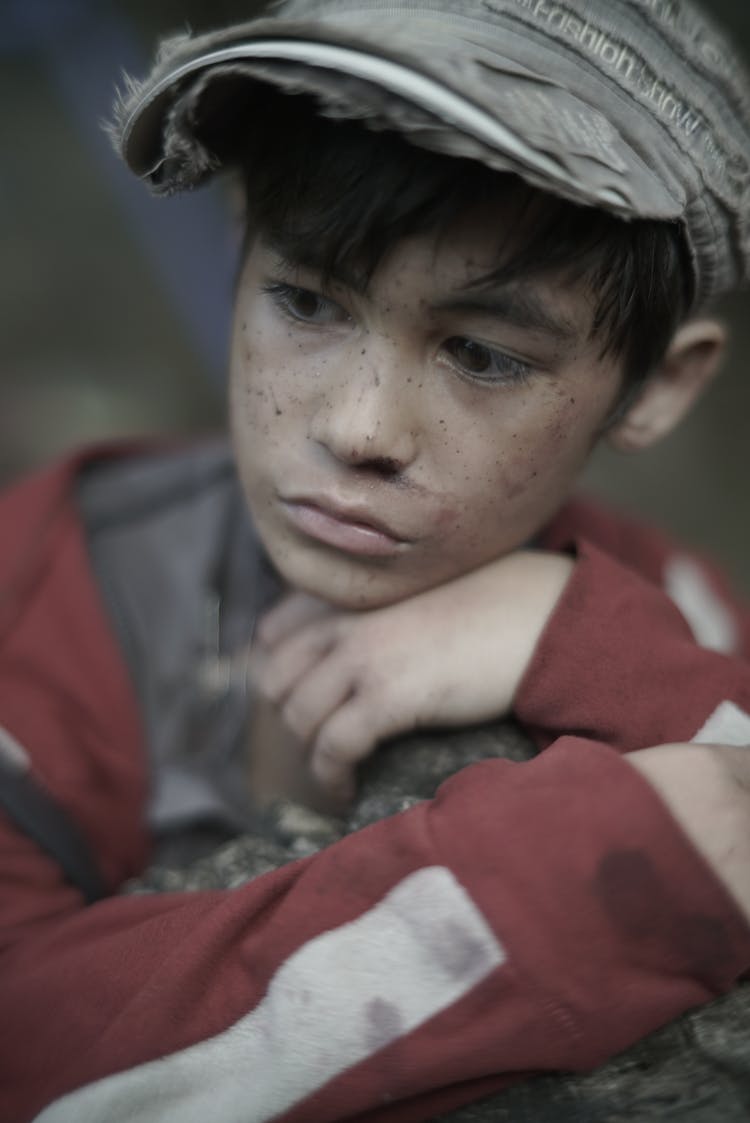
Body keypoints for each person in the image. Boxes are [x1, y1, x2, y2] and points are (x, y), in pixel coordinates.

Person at [3, 0, 750, 1120]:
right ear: (238, 239)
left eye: (485, 356)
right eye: (306, 300)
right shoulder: (41, 599)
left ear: (657, 388)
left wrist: (581, 640)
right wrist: (607, 870)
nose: (358, 427)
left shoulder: (680, 609)